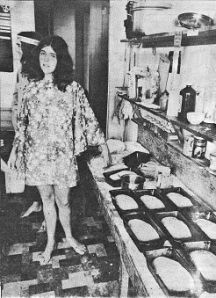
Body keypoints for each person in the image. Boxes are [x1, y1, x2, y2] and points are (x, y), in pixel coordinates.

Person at [8, 35, 111, 264]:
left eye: (52, 55)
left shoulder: (73, 89)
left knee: (63, 201)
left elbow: (88, 118)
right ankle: (51, 242)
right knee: (47, 200)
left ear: (60, 59)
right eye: (43, 53)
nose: (46, 59)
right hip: (38, 157)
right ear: (38, 58)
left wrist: (103, 145)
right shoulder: (31, 89)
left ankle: (71, 237)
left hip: (62, 158)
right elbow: (22, 123)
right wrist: (15, 150)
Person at [11, 31, 45, 221]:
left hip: (34, 133)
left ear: (28, 48)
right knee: (29, 170)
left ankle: (47, 217)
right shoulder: (22, 70)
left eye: (19, 45)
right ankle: (36, 203)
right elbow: (17, 99)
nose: (16, 49)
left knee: (39, 173)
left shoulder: (37, 75)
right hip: (22, 129)